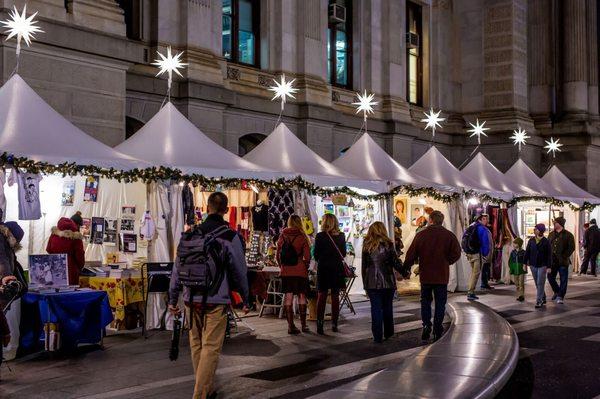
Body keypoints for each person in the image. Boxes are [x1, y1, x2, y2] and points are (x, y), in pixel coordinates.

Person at [169, 192, 249, 399]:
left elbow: (177, 268)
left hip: (190, 297)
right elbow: (239, 270)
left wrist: (172, 298)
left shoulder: (190, 234)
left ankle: (206, 387)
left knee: (197, 344)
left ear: (206, 208)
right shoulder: (229, 236)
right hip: (216, 298)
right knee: (211, 347)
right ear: (226, 209)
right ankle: (200, 394)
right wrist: (245, 297)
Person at [404, 211, 461, 342]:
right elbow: (457, 252)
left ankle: (426, 325)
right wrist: (448, 261)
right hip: (441, 275)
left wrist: (405, 269)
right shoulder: (449, 235)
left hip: (426, 275)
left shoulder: (421, 235)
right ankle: (437, 327)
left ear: (430, 220)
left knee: (425, 301)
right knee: (440, 303)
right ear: (441, 220)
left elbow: (411, 254)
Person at [362, 222, 406, 343]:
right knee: (387, 308)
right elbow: (395, 262)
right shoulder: (389, 244)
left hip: (371, 281)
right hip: (387, 281)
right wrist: (405, 271)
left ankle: (377, 336)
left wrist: (365, 283)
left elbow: (364, 266)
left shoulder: (367, 245)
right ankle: (389, 333)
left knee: (375, 309)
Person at [276, 215, 311, 334]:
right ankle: (304, 325)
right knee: (302, 296)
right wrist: (305, 266)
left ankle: (291, 326)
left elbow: (278, 255)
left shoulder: (283, 235)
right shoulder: (302, 236)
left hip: (286, 271)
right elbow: (307, 256)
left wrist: (282, 266)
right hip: (300, 270)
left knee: (288, 296)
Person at [314, 213, 346, 335]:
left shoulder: (320, 236)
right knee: (335, 296)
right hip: (337, 268)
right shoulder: (341, 236)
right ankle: (334, 324)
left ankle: (320, 324)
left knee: (321, 296)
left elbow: (316, 254)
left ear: (325, 222)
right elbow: (343, 253)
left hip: (324, 268)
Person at [46, 214, 86, 285]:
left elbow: (48, 249)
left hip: (54, 268)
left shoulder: (54, 234)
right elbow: (80, 257)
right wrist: (79, 267)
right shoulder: (76, 238)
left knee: (54, 292)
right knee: (69, 293)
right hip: (71, 271)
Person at [548, 217, 575, 304]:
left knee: (563, 279)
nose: (554, 224)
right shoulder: (551, 234)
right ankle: (557, 291)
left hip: (563, 261)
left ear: (560, 224)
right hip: (552, 261)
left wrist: (564, 256)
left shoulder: (568, 235)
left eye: (555, 223)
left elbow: (572, 247)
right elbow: (548, 246)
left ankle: (560, 296)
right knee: (550, 277)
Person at [464, 214, 491, 301]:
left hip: (469, 253)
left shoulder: (471, 226)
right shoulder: (481, 228)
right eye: (485, 219)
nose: (486, 221)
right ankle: (470, 292)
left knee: (473, 272)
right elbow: (485, 242)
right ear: (480, 219)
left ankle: (470, 291)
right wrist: (485, 254)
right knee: (476, 273)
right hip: (476, 253)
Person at [524, 224, 551, 309]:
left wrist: (549, 266)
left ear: (540, 230)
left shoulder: (546, 241)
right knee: (537, 282)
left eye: (536, 229)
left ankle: (539, 301)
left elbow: (549, 255)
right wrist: (524, 263)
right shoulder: (531, 240)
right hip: (533, 265)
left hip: (542, 265)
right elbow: (527, 252)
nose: (534, 230)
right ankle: (543, 297)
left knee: (540, 283)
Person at [509, 237, 527, 302]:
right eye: (513, 243)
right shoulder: (512, 252)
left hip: (521, 270)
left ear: (519, 244)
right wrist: (511, 269)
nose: (513, 244)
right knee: (516, 283)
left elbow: (525, 261)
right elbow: (510, 261)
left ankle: (521, 296)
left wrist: (525, 266)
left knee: (521, 283)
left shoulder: (523, 252)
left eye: (515, 243)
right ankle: (519, 294)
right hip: (515, 269)